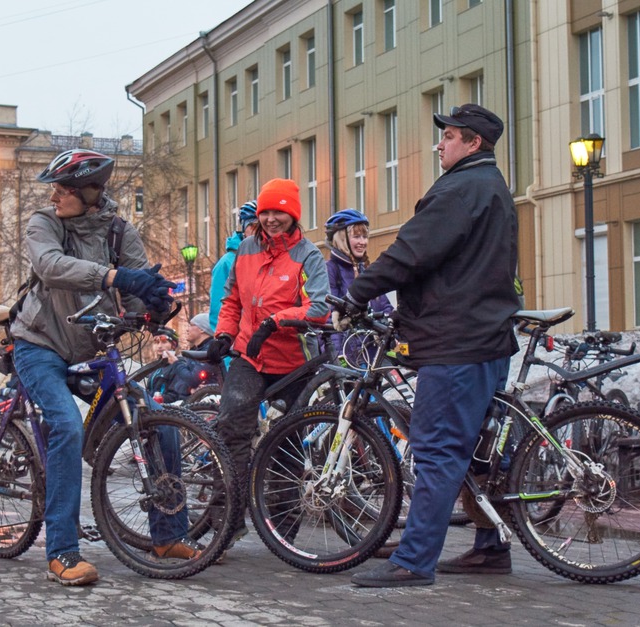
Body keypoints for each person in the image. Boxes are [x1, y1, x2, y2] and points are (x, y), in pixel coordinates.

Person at [343, 104, 520, 587]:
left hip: (456, 342)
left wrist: (357, 292)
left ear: (473, 143)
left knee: (439, 450)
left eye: (449, 137)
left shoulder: (460, 190)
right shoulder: (493, 187)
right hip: (486, 337)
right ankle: (489, 548)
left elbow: (411, 251)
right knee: (479, 453)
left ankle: (414, 561)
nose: (440, 144)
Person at [9, 149, 188, 587]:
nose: (55, 195)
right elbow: (51, 267)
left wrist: (155, 305)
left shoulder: (119, 232)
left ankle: (167, 537)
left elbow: (137, 282)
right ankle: (62, 553)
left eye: (64, 189)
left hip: (91, 348)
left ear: (91, 193)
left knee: (158, 422)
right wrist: (114, 278)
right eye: (55, 187)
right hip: (40, 345)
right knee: (67, 427)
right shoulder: (44, 223)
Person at [206, 178, 330, 542]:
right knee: (230, 431)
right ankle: (225, 523)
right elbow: (231, 300)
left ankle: (282, 527)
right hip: (250, 356)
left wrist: (278, 321)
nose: (271, 219)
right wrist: (224, 335)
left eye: (279, 212)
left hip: (294, 361)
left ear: (293, 215)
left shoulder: (308, 256)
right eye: (265, 212)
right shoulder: (245, 249)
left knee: (288, 442)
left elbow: (319, 307)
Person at [323, 209, 394, 363]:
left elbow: (385, 306)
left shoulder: (366, 270)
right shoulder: (330, 269)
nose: (363, 242)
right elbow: (330, 319)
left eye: (365, 236)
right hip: (348, 358)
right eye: (356, 236)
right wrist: (337, 359)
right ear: (341, 239)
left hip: (373, 355)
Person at [208, 200, 258, 332]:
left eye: (261, 226)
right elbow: (218, 308)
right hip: (239, 342)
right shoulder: (227, 262)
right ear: (243, 228)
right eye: (252, 226)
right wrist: (225, 340)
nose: (257, 231)